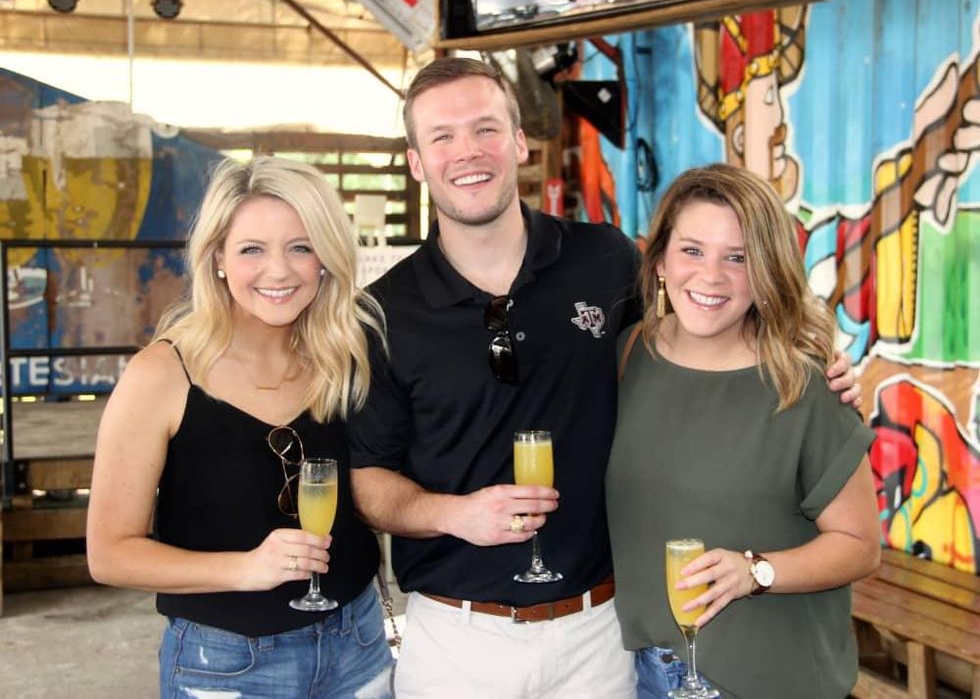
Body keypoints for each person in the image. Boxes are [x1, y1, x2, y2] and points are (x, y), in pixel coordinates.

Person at [346, 57, 861, 698]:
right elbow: (367, 482)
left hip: (604, 635)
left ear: (518, 141)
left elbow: (697, 339)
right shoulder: (380, 312)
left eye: (484, 129)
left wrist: (810, 360)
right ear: (417, 162)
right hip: (458, 638)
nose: (466, 152)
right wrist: (453, 515)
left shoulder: (604, 260)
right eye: (441, 137)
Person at [86, 156, 394, 699]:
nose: (279, 271)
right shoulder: (161, 374)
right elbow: (109, 553)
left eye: (301, 246)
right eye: (252, 249)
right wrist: (245, 569)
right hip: (227, 663)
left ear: (326, 257)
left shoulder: (346, 357)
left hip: (357, 643)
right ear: (218, 259)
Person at [606, 164, 881, 698]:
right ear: (660, 260)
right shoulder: (628, 356)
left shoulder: (803, 383)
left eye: (738, 257)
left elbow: (860, 545)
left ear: (768, 270)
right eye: (692, 251)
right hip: (647, 674)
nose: (711, 277)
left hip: (769, 680)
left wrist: (755, 572)